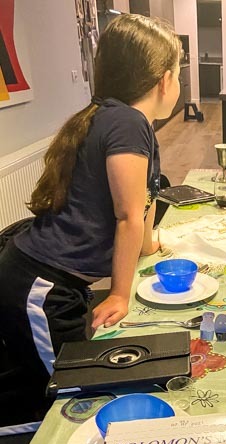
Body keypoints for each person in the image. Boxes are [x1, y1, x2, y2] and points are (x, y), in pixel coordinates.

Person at [0, 14, 182, 415]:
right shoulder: (128, 123)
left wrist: (149, 245)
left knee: (70, 378)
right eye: (179, 71)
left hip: (51, 281)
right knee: (69, 398)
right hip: (41, 288)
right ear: (164, 80)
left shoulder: (120, 118)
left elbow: (142, 204)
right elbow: (127, 215)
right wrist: (120, 292)